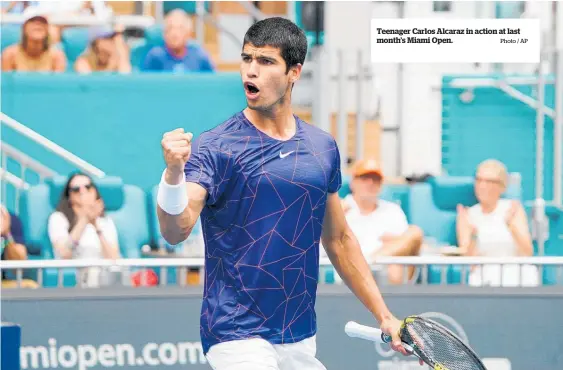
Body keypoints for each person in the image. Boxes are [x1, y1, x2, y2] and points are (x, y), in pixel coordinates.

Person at [156, 17, 415, 369]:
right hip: (235, 333)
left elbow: (339, 240)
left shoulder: (321, 147)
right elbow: (176, 230)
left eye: (265, 62)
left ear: (294, 72)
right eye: (247, 59)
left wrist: (384, 314)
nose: (251, 71)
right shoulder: (215, 146)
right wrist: (173, 174)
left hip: (298, 334)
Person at [338, 159, 423, 284]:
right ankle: (367, 266)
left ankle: (370, 263)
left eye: (376, 179)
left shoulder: (392, 211)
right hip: (349, 273)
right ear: (353, 182)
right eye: (365, 178)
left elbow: (404, 246)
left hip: (384, 270)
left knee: (415, 232)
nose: (371, 183)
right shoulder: (339, 208)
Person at [456, 159, 538, 287]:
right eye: (479, 180)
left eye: (489, 181)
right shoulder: (467, 215)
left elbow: (528, 253)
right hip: (485, 275)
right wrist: (473, 234)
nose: (482, 185)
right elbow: (469, 262)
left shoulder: (513, 209)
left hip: (517, 272)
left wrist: (511, 226)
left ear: (502, 186)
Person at [48, 172, 120, 288]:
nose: (82, 191)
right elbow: (64, 253)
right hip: (74, 281)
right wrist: (84, 220)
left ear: (95, 191)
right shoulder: (58, 218)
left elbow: (113, 258)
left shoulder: (106, 221)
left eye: (87, 187)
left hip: (104, 280)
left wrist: (96, 226)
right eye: (76, 189)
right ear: (69, 195)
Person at [142, 9, 215, 73]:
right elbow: (145, 84)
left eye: (180, 28)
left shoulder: (200, 56)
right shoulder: (155, 56)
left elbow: (212, 81)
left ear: (189, 33)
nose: (174, 33)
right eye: (170, 28)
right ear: (164, 34)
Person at [1, 13, 67, 72]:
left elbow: (58, 84)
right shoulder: (9, 54)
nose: (38, 24)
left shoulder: (57, 56)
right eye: (32, 21)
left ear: (47, 31)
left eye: (42, 23)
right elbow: (7, 83)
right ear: (23, 29)